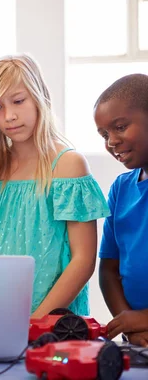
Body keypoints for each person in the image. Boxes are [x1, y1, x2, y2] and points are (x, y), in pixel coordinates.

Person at [0, 54, 109, 318]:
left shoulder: (68, 165)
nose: (9, 116)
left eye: (18, 101)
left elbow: (83, 261)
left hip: (53, 325)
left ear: (39, 96)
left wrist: (35, 322)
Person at [94, 74, 148, 347]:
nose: (112, 141)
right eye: (104, 134)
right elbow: (108, 269)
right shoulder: (120, 188)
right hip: (139, 340)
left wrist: (142, 319)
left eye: (121, 127)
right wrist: (128, 320)